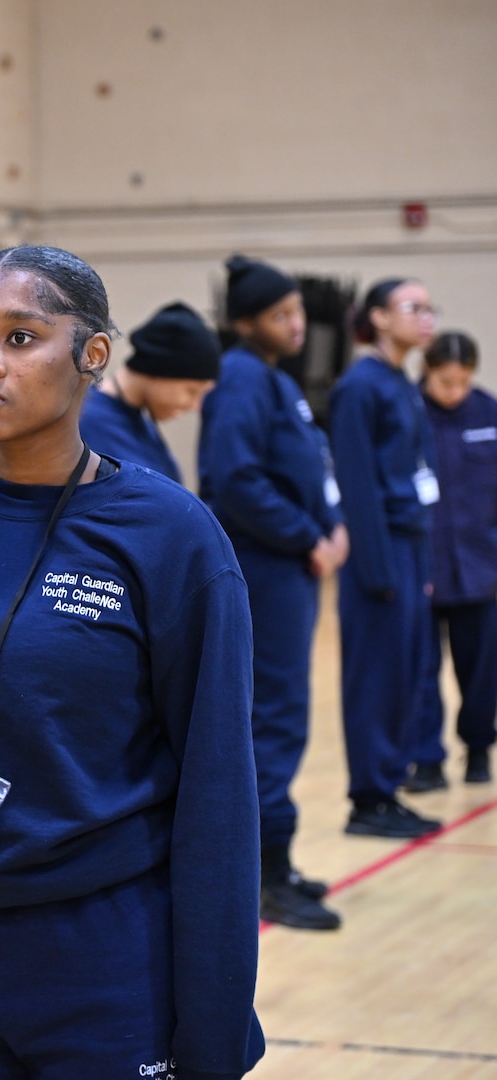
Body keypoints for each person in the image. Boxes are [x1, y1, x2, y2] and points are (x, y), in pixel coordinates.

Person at [0, 246, 264, 1079]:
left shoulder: (172, 538)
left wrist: (212, 1024)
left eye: (20, 336)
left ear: (93, 355)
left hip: (107, 962)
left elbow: (218, 795)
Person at [197, 255, 348, 931]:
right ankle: (258, 875)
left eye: (297, 312)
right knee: (269, 718)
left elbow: (306, 469)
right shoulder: (239, 379)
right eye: (280, 314)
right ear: (245, 321)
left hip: (291, 569)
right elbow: (236, 479)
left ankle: (277, 863)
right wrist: (304, 535)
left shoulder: (275, 379)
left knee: (286, 713)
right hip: (263, 568)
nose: (295, 324)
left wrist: (330, 524)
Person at [330, 278, 443, 836]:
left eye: (429, 308)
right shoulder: (360, 386)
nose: (426, 318)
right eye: (412, 308)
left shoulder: (401, 381)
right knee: (376, 676)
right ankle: (369, 799)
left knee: (408, 672)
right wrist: (377, 570)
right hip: (382, 553)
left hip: (412, 548)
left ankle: (391, 787)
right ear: (377, 317)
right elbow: (358, 484)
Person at [413, 331, 497, 787]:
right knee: (421, 672)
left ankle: (479, 747)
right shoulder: (405, 411)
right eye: (446, 381)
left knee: (482, 669)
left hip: (481, 572)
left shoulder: (489, 412)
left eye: (463, 381)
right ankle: (426, 758)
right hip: (420, 569)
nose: (455, 391)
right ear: (427, 370)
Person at [79, 301, 219, 482]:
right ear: (161, 370)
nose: (194, 405)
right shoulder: (88, 420)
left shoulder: (138, 418)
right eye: (192, 391)